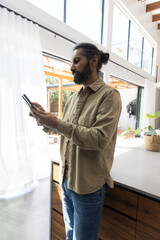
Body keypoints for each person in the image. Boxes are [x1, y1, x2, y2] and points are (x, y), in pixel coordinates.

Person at [30, 42, 122, 240]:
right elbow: (65, 132)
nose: (71, 67)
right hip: (66, 181)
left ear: (93, 61)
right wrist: (45, 120)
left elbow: (99, 139)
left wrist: (57, 123)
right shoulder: (72, 98)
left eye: (76, 61)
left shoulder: (109, 96)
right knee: (70, 234)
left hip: (88, 188)